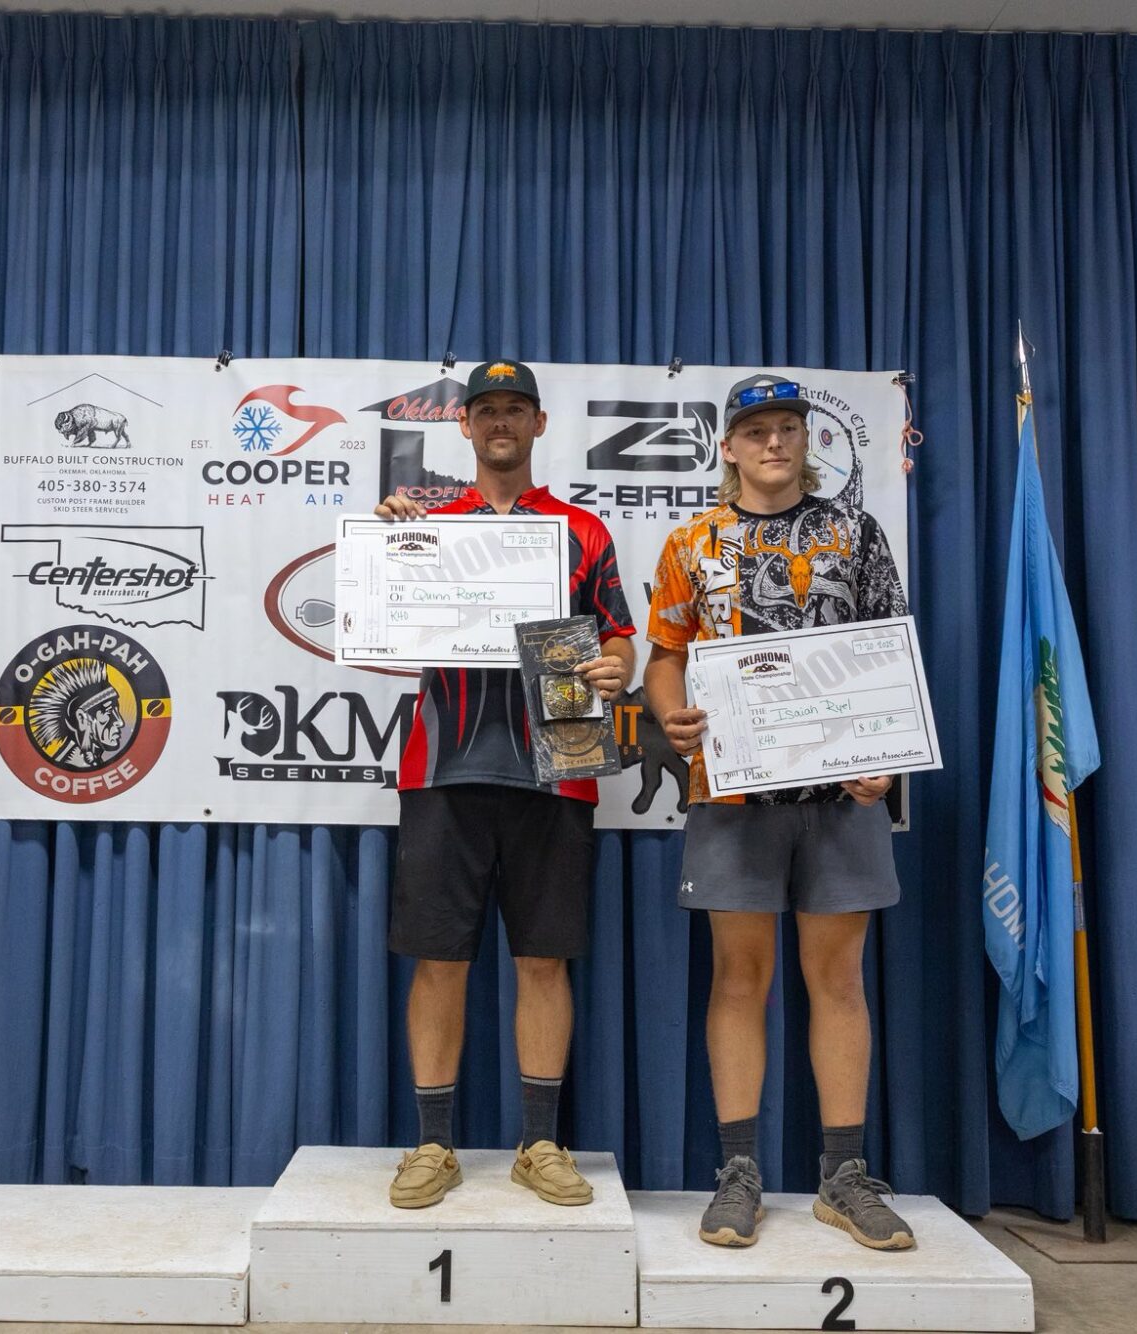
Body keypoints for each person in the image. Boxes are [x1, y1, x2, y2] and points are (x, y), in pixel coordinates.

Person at [641, 373, 914, 1251]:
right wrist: (671, 715)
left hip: (840, 794)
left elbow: (888, 652)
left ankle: (843, 1176)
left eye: (787, 427)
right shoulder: (691, 542)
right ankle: (738, 1172)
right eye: (756, 430)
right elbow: (664, 656)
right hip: (732, 793)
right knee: (738, 980)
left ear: (805, 440)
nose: (773, 442)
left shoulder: (856, 533)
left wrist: (883, 757)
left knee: (839, 981)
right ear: (728, 446)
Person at [377, 360, 637, 1209]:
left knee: (543, 959)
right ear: (464, 426)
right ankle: (432, 1144)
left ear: (538, 423)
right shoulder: (426, 525)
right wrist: (387, 546)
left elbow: (620, 636)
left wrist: (615, 667)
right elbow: (379, 612)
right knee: (439, 959)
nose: (499, 422)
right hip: (443, 764)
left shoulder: (582, 530)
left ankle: (539, 1143)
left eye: (515, 409)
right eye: (484, 409)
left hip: (558, 762)